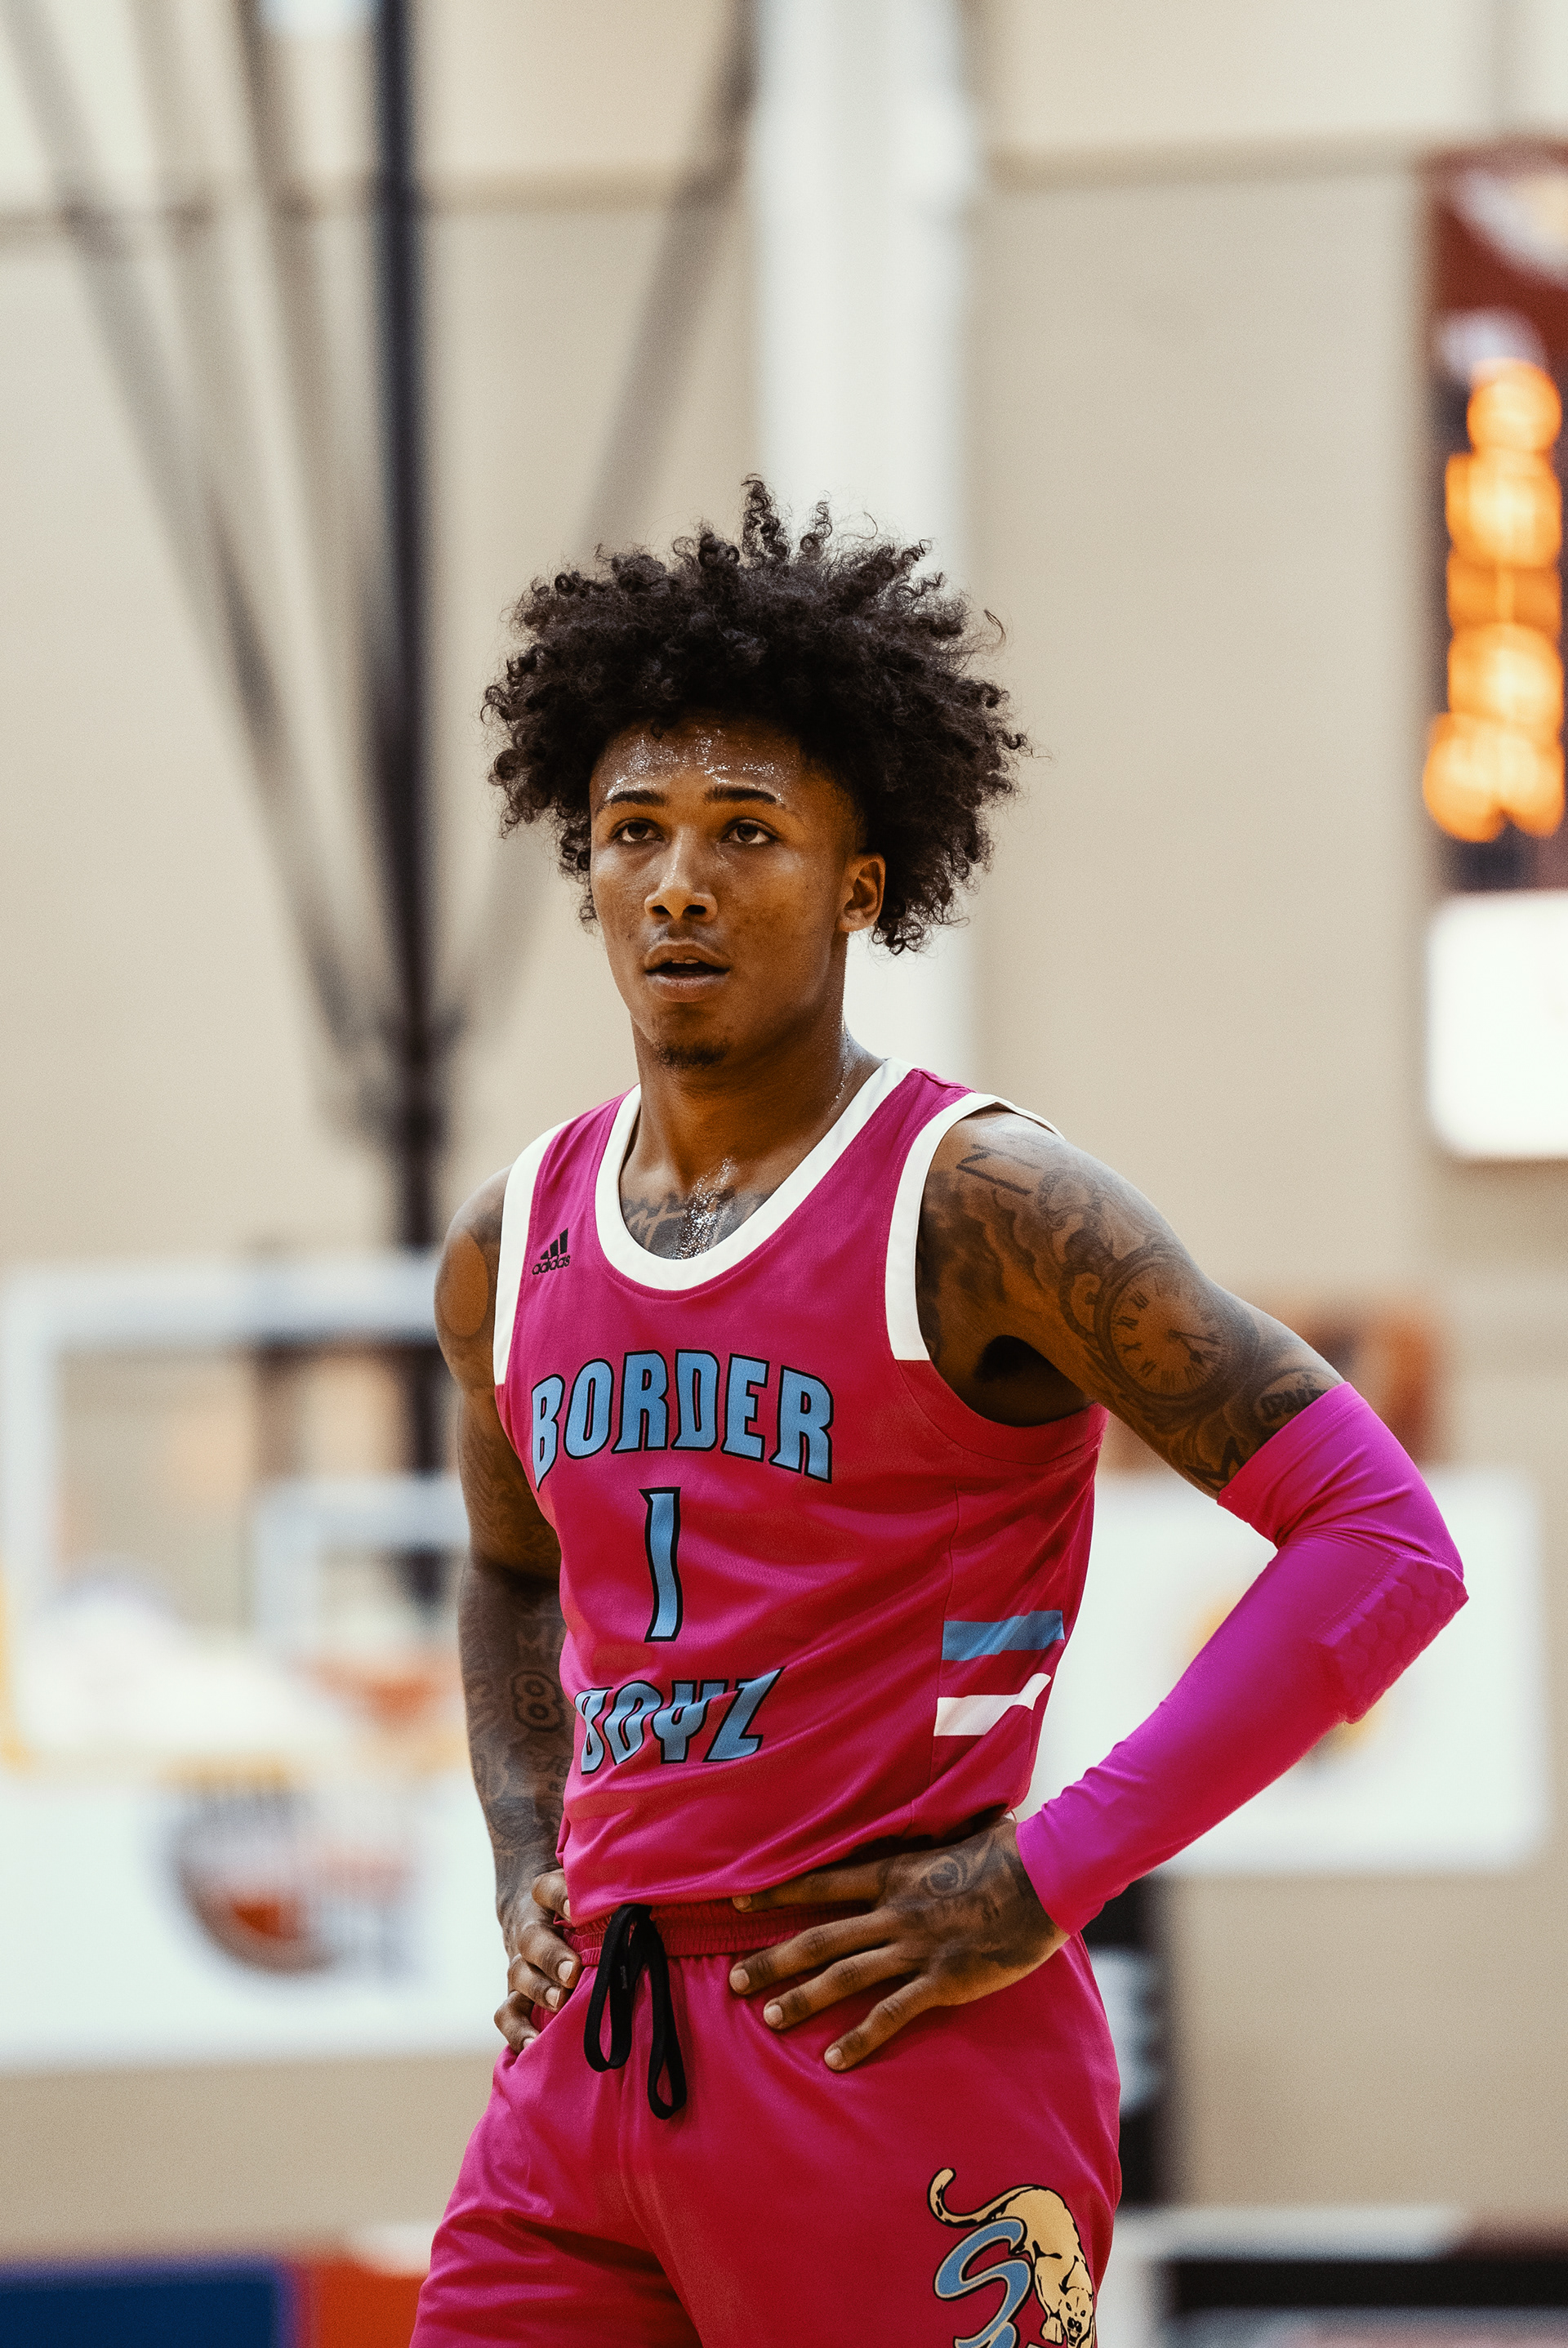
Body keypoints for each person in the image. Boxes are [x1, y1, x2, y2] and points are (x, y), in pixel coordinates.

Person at [413, 482, 1465, 2348]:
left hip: (888, 2037)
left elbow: (1383, 1543)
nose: (678, 880)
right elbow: (507, 1571)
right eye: (634, 830)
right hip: (590, 2062)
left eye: (747, 831)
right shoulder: (514, 1241)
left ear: (862, 882)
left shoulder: (984, 1206)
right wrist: (523, 1852)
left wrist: (1046, 1875)